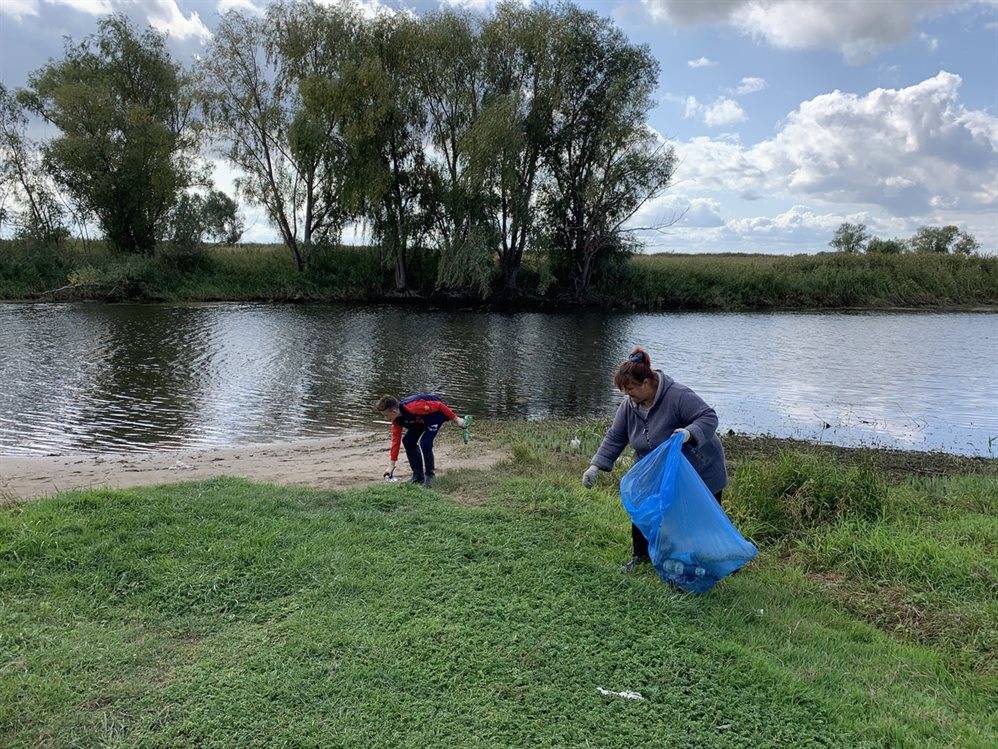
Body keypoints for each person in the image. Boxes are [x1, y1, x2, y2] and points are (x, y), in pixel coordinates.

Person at [582, 348, 728, 573]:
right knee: (641, 504)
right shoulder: (630, 405)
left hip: (700, 469)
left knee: (704, 522)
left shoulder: (678, 395)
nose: (628, 397)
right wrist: (595, 466)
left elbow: (709, 417)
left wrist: (688, 433)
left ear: (648, 382)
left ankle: (720, 560)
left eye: (631, 390)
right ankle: (640, 557)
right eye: (625, 392)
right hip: (656, 470)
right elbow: (616, 436)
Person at [376, 393, 467, 488]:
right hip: (420, 420)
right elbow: (396, 442)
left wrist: (457, 419)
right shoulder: (397, 420)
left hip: (435, 416)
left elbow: (439, 406)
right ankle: (418, 477)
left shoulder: (413, 407)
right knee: (408, 441)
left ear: (393, 411)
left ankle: (430, 476)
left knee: (425, 443)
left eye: (385, 415)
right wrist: (391, 466)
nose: (385, 418)